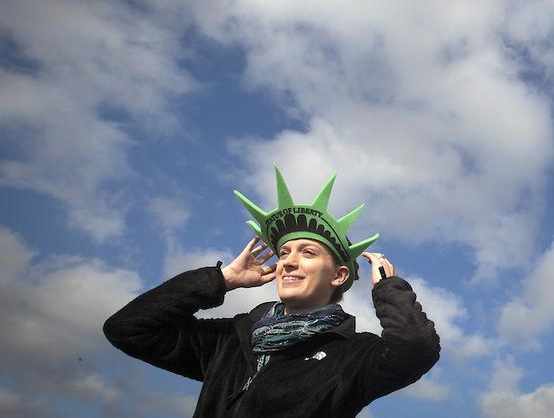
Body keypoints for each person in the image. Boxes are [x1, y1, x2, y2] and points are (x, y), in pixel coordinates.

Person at [103, 171, 440, 417]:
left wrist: (388, 290)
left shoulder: (352, 356)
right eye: (283, 253)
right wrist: (220, 280)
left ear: (338, 275)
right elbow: (128, 329)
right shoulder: (231, 340)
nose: (289, 262)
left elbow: (416, 349)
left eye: (307, 252)